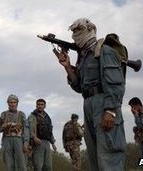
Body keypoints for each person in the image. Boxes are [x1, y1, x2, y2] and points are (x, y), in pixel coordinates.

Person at [53, 18, 126, 170]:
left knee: (109, 155)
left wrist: (111, 111)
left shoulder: (104, 51)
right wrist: (67, 66)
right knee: (94, 158)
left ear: (90, 29)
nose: (74, 35)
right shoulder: (84, 56)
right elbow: (79, 87)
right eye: (72, 31)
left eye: (77, 30)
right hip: (88, 104)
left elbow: (116, 83)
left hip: (104, 104)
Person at [0, 94, 29, 171]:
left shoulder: (21, 114)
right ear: (8, 103)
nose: (12, 104)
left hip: (18, 140)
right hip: (6, 140)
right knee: (9, 163)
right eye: (10, 102)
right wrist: (3, 126)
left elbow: (26, 128)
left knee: (21, 163)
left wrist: (26, 142)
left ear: (17, 103)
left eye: (14, 102)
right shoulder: (3, 114)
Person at [27, 98, 56, 171]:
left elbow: (50, 130)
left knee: (48, 166)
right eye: (38, 104)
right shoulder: (32, 116)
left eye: (41, 104)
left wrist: (53, 143)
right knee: (38, 166)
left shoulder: (48, 117)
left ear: (44, 106)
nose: (39, 106)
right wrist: (34, 137)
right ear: (36, 105)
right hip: (37, 142)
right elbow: (29, 128)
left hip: (47, 143)